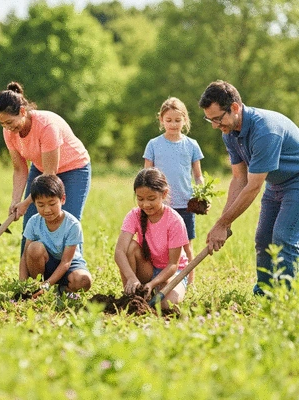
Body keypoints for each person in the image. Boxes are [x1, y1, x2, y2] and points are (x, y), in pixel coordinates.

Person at [199, 80, 299, 295]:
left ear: (234, 107)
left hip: (297, 182)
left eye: (218, 118)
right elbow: (239, 179)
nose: (216, 126)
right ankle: (264, 293)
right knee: (263, 239)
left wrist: (222, 223)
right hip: (276, 184)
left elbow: (253, 187)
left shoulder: (265, 131)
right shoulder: (230, 132)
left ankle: (284, 299)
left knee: (282, 238)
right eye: (210, 120)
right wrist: (223, 224)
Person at [0, 82, 91, 253]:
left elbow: (50, 175)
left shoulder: (46, 126)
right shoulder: (9, 131)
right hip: (41, 169)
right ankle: (28, 276)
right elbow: (19, 169)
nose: (8, 128)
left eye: (9, 122)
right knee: (31, 219)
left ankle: (72, 272)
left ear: (22, 111)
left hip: (74, 169)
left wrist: (25, 203)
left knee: (66, 220)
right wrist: (16, 201)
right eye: (2, 124)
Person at [143, 97, 204, 284]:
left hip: (185, 204)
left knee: (186, 246)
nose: (173, 124)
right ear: (161, 120)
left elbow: (198, 176)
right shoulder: (153, 144)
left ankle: (190, 283)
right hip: (159, 205)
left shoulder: (191, 145)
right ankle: (158, 278)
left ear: (185, 120)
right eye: (168, 120)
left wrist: (202, 194)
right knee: (158, 245)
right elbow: (146, 175)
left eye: (178, 120)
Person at [114, 167, 189, 310]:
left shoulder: (174, 221)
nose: (145, 205)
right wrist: (132, 277)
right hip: (148, 268)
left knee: (165, 305)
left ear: (164, 193)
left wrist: (153, 284)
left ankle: (152, 290)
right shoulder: (134, 215)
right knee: (130, 247)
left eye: (151, 198)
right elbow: (119, 252)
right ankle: (131, 295)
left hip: (172, 272)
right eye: (140, 199)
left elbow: (173, 265)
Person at [19, 174, 92, 298]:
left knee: (84, 280)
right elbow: (25, 256)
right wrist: (22, 284)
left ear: (62, 199)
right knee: (33, 248)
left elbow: (66, 262)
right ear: (35, 203)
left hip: (69, 265)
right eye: (41, 205)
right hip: (46, 264)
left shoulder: (72, 225)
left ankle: (63, 289)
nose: (47, 210)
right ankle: (37, 287)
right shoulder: (33, 222)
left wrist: (47, 285)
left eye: (52, 204)